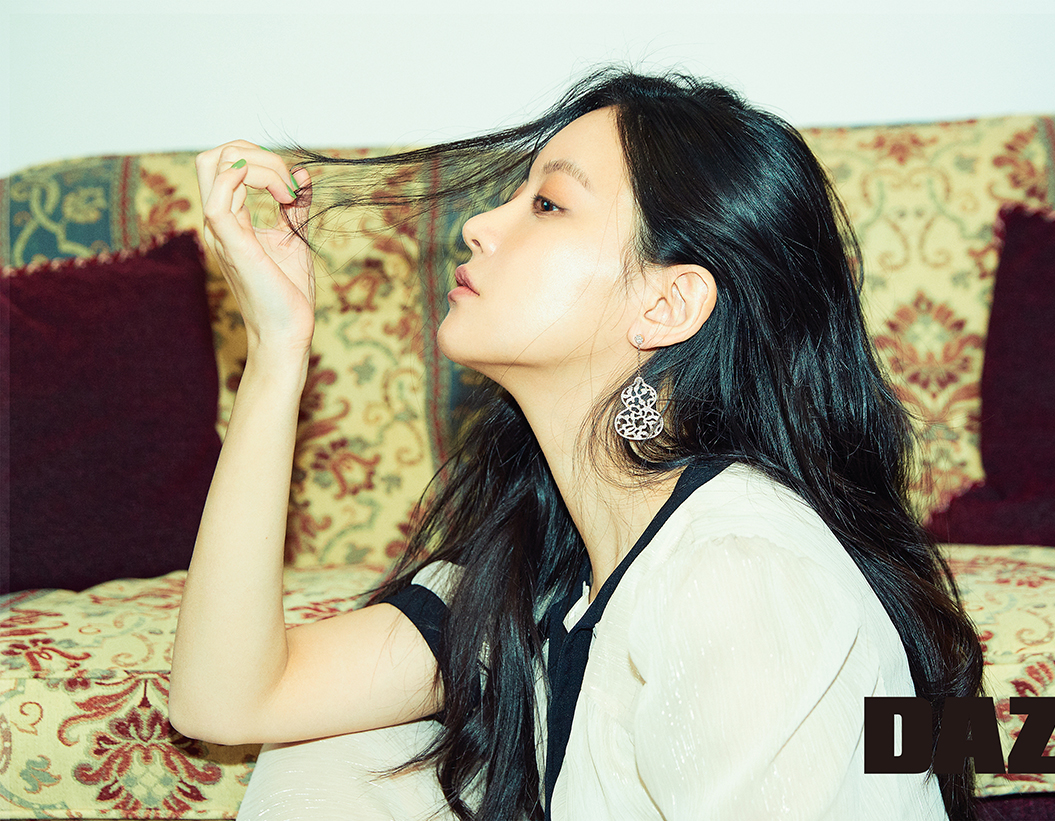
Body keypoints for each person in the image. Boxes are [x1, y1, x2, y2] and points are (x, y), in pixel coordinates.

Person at [169, 68, 985, 820]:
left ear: (666, 305)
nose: (478, 226)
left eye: (548, 204)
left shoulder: (737, 574)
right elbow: (228, 698)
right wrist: (276, 348)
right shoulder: (546, 571)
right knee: (333, 742)